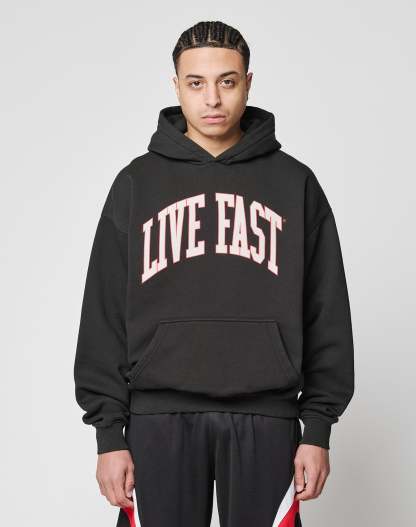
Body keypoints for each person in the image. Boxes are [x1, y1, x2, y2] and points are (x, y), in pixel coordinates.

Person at [73, 20, 355, 527]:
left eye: (227, 81)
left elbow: (326, 310)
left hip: (267, 417)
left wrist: (317, 429)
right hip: (158, 419)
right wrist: (109, 436)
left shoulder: (295, 183)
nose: (212, 99)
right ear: (176, 86)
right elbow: (104, 314)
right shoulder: (137, 183)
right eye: (196, 83)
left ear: (248, 82)